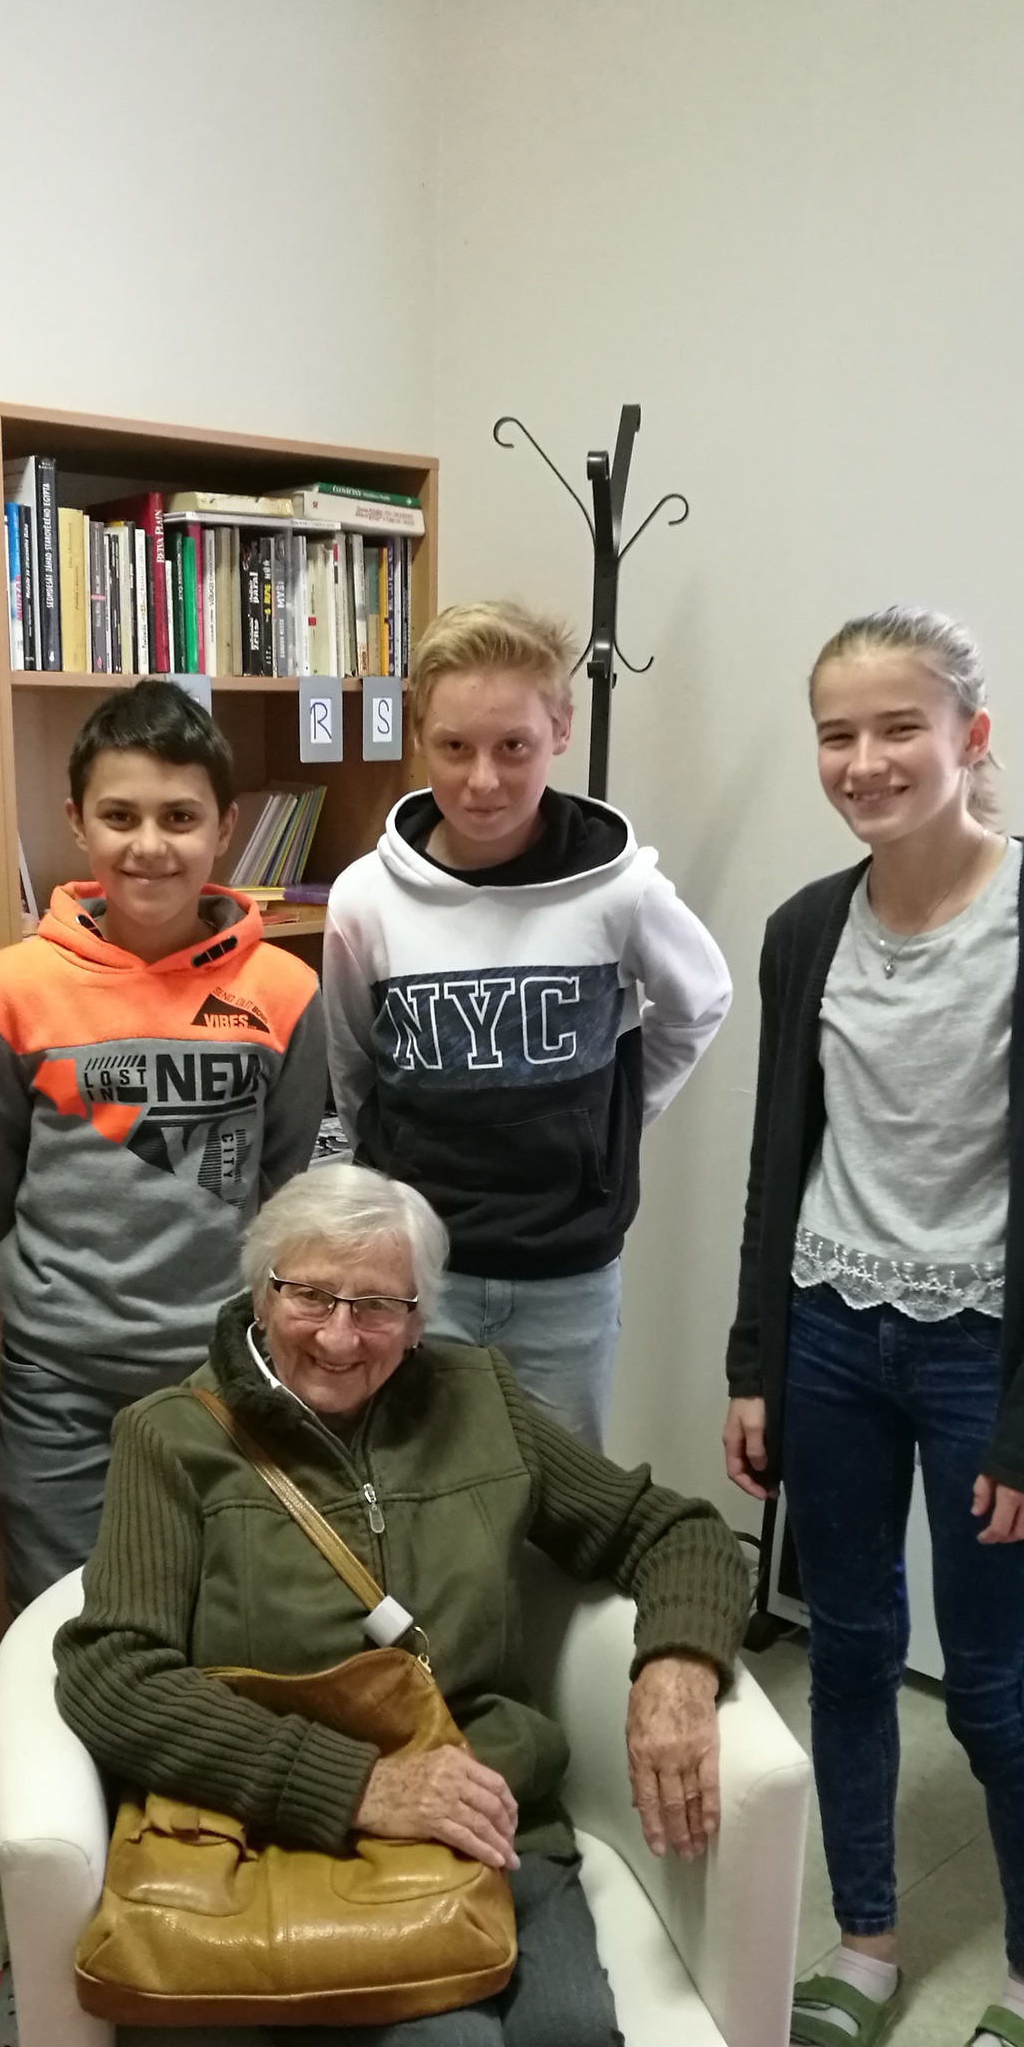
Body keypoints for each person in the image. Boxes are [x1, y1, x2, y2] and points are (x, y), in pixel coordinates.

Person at [58, 1162, 750, 2047]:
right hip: (290, 1840)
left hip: (489, 1814)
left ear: (423, 1314)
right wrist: (354, 1786)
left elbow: (673, 1528)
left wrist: (676, 1672)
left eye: (378, 1305)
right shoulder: (171, 1438)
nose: (340, 1335)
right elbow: (112, 1676)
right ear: (259, 1289)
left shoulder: (483, 1398)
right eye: (310, 1296)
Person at [723, 605, 1024, 2047]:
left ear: (970, 737)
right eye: (837, 733)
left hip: (989, 1355)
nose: (865, 760)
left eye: (898, 726)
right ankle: (865, 1942)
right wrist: (756, 1360)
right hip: (833, 1331)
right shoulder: (803, 931)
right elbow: (780, 1161)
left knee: (990, 1687)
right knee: (843, 1653)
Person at [0, 678, 325, 2047]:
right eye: (120, 815)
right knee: (62, 1651)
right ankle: (52, 1931)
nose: (150, 843)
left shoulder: (282, 990)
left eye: (180, 816)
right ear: (76, 822)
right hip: (61, 1388)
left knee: (219, 1645)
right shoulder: (14, 989)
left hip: (221, 1388)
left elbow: (296, 1190)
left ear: (226, 828)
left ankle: (193, 1906)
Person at [322, 600, 731, 1449]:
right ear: (418, 736)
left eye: (514, 746)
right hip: (419, 1267)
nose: (483, 781)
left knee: (561, 1495)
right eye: (454, 747)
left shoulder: (620, 890)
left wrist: (613, 1119)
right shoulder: (366, 898)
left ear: (561, 730)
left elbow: (699, 1002)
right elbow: (354, 1060)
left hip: (566, 1278)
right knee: (416, 1487)